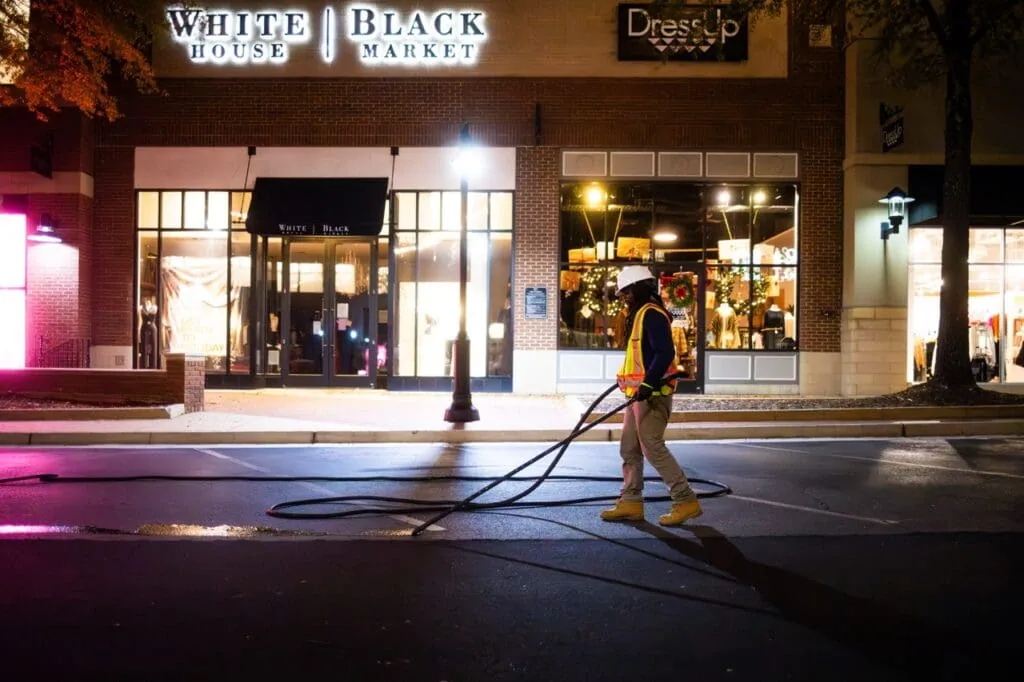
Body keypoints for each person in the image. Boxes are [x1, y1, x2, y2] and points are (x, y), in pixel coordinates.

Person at [600, 265, 703, 526]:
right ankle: (631, 502)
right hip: (639, 395)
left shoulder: (653, 315)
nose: (624, 298)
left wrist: (647, 385)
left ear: (639, 288)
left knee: (652, 446)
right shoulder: (640, 315)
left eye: (627, 292)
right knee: (629, 447)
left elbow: (665, 353)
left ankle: (685, 499)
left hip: (653, 396)